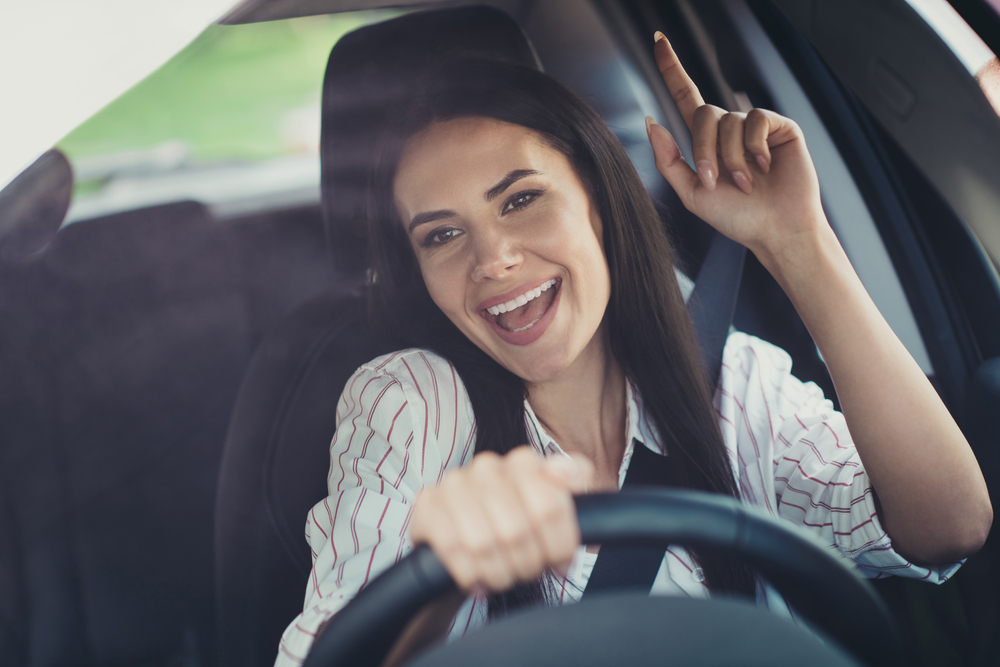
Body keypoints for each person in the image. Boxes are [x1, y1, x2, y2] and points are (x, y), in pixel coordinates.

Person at [275, 32, 992, 666]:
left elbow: (948, 526)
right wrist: (438, 578)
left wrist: (798, 243)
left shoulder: (726, 378)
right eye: (441, 234)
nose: (492, 259)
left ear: (597, 196)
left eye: (521, 198)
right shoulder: (411, 398)